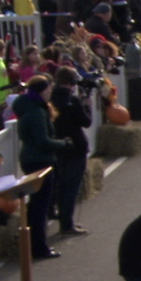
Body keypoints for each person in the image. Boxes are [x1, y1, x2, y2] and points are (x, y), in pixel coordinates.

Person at [12, 75, 69, 259]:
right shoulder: (36, 112)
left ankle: (30, 244)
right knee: (41, 206)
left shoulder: (27, 107)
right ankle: (39, 246)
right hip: (40, 160)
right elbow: (42, 141)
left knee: (36, 205)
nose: (50, 93)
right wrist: (63, 144)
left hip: (30, 159)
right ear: (41, 91)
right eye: (48, 90)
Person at [50, 67, 91, 236]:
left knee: (60, 186)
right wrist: (87, 107)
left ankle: (61, 218)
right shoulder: (72, 101)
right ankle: (67, 224)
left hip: (58, 148)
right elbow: (86, 122)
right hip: (75, 147)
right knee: (71, 189)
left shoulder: (51, 100)